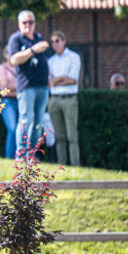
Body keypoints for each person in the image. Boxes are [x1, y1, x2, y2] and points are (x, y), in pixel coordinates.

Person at [8, 10, 51, 157]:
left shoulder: (38, 37)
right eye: (24, 22)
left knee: (38, 123)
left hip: (43, 87)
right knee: (26, 121)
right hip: (27, 87)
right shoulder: (16, 39)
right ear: (19, 24)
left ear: (34, 24)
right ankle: (21, 156)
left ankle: (32, 156)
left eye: (30, 22)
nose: (27, 25)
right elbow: (14, 60)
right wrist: (33, 50)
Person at [46, 30, 81, 166]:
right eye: (52, 42)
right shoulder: (51, 60)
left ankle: (75, 164)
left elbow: (72, 80)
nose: (55, 44)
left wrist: (57, 80)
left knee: (72, 135)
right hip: (54, 99)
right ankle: (62, 164)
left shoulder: (74, 57)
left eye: (57, 41)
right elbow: (50, 81)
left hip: (69, 98)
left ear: (64, 41)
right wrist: (61, 78)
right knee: (58, 135)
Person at [0, 46, 19, 159]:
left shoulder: (20, 68)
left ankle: (21, 158)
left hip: (21, 101)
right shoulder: (2, 68)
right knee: (12, 129)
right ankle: (10, 159)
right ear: (5, 54)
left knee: (22, 131)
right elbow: (4, 89)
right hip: (8, 102)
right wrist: (20, 86)